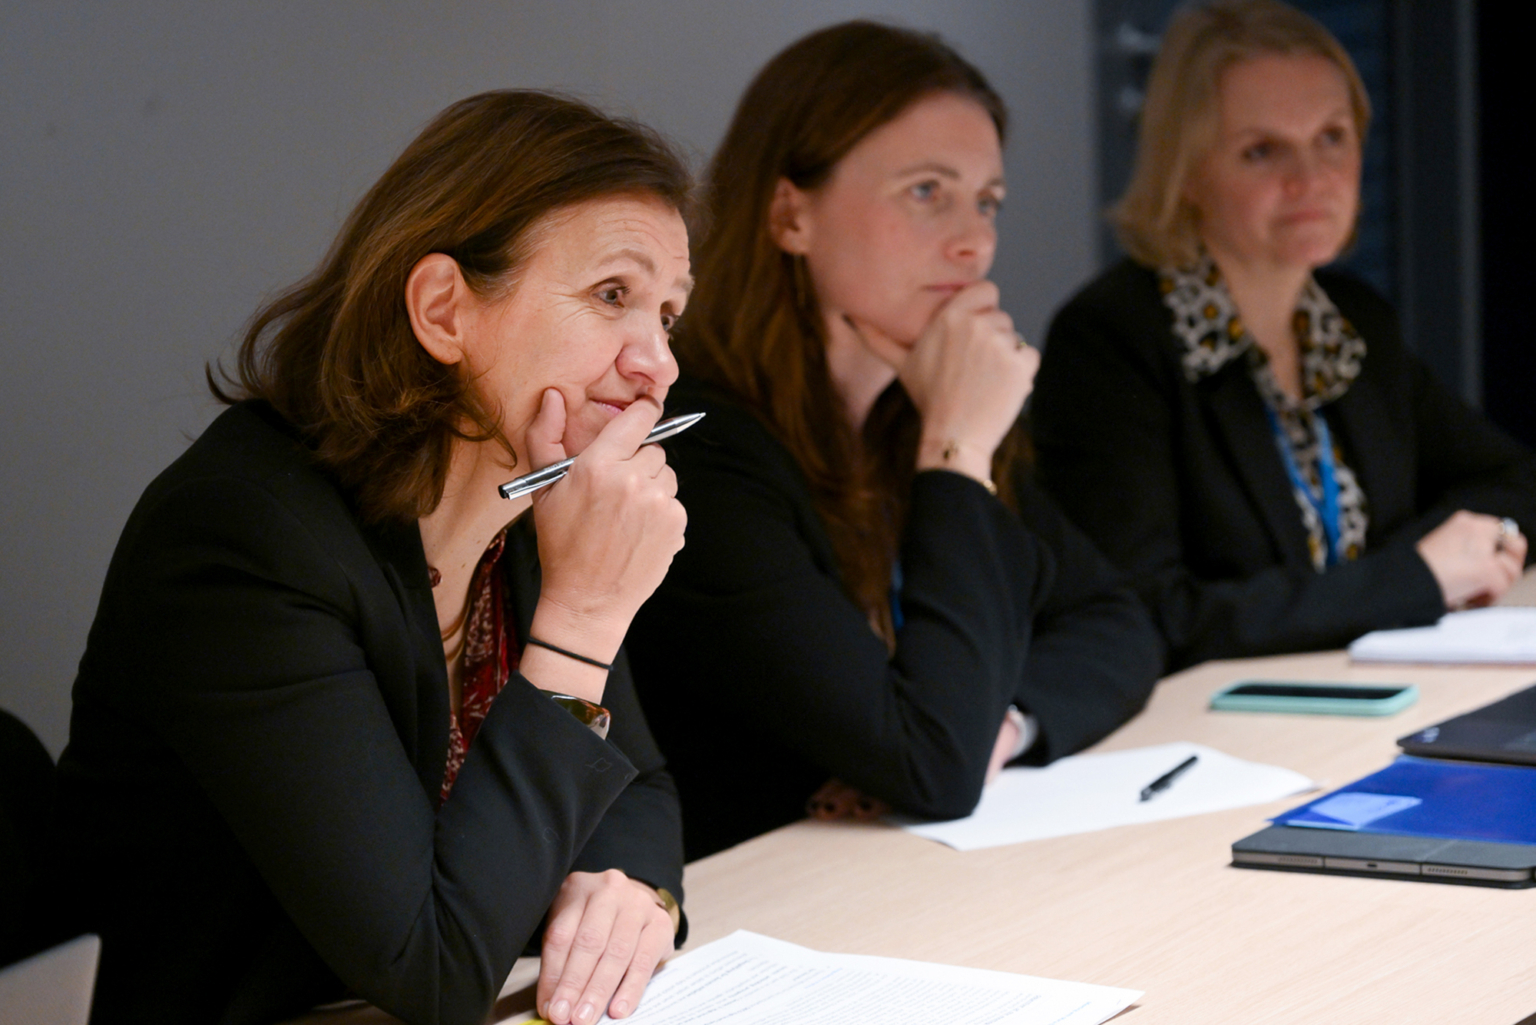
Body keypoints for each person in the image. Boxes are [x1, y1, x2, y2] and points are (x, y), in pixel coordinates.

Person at [54, 91, 693, 1025]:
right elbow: (430, 969)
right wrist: (586, 618)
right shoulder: (246, 536)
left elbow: (640, 783)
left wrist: (632, 886)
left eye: (668, 315)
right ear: (443, 311)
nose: (660, 365)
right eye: (613, 296)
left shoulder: (527, 507)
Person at [624, 22, 1162, 861]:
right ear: (789, 213)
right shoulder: (698, 450)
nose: (974, 240)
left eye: (986, 200)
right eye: (926, 191)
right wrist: (957, 448)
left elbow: (1116, 621)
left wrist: (1006, 724)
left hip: (892, 880)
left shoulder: (924, 407)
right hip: (753, 914)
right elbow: (933, 765)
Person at [1032, 0, 1536, 671]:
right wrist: (1413, 577)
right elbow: (1151, 613)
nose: (1312, 180)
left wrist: (1458, 554)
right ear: (1186, 173)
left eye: (1332, 137)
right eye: (1262, 151)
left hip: (1368, 687)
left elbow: (1514, 481)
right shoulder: (1111, 343)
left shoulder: (1350, 317)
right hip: (1217, 730)